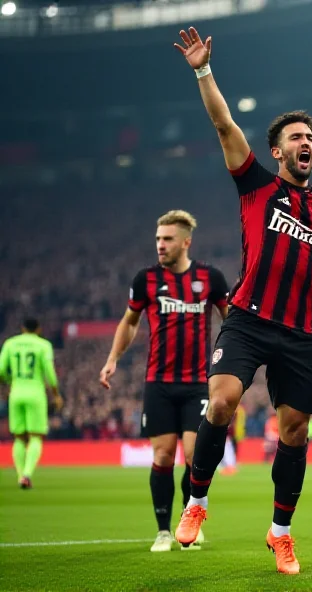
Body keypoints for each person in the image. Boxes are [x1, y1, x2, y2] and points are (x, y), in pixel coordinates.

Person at [171, 27, 312, 574]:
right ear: (277, 149)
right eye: (295, 137)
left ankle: (281, 532)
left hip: (297, 333)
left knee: (295, 431)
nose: (305, 143)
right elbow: (223, 123)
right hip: (247, 319)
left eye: (310, 136)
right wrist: (202, 70)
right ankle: (196, 500)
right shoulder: (257, 186)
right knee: (220, 402)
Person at [99, 209, 229, 552]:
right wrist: (113, 359)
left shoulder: (210, 278)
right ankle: (162, 531)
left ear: (186, 242)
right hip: (158, 382)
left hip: (198, 383)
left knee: (192, 455)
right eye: (158, 238)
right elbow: (129, 322)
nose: (160, 245)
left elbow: (230, 321)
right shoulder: (146, 280)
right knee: (161, 456)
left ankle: (191, 518)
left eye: (168, 239)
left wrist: (230, 362)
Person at [0, 318, 63, 489]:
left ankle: (20, 476)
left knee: (19, 438)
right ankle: (27, 474)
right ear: (39, 329)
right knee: (35, 436)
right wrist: (56, 394)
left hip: (16, 393)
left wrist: (8, 381)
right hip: (36, 394)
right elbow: (50, 373)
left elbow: (0, 370)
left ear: (22, 328)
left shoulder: (10, 344)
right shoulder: (43, 345)